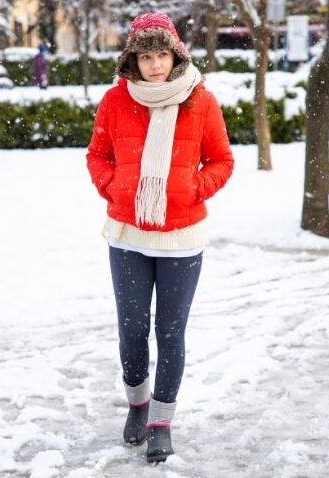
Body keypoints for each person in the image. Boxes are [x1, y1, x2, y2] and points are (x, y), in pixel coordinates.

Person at [86, 12, 233, 464]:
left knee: (170, 333)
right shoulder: (115, 100)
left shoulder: (200, 102)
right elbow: (97, 156)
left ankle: (161, 421)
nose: (154, 65)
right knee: (132, 330)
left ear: (175, 55)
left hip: (182, 237)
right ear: (134, 59)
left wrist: (192, 189)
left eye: (161, 54)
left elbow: (222, 161)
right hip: (128, 234)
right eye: (145, 56)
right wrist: (115, 188)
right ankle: (137, 406)